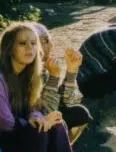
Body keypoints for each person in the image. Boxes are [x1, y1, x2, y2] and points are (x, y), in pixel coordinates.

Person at [0, 22, 72, 152]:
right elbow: (4, 121)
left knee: (56, 124)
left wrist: (37, 117)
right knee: (38, 131)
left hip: (19, 131)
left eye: (33, 43)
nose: (29, 48)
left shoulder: (29, 75)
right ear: (10, 48)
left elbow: (35, 107)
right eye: (22, 43)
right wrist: (34, 123)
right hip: (5, 136)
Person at [33, 24, 92, 145]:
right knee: (59, 121)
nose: (51, 45)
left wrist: (71, 71)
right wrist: (54, 77)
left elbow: (64, 102)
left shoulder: (42, 68)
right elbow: (48, 112)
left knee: (80, 113)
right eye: (45, 41)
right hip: (27, 127)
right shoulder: (23, 73)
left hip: (43, 121)